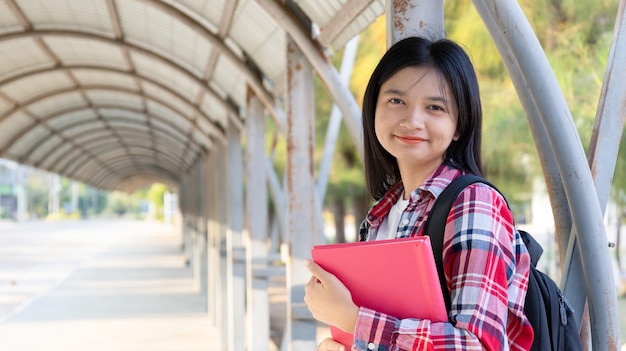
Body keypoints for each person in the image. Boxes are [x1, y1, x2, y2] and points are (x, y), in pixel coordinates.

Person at [304, 36, 534, 350]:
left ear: (458, 125)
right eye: (396, 101)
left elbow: (479, 345)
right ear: (373, 109)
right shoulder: (382, 213)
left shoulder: (473, 203)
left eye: (434, 107)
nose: (412, 121)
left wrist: (354, 319)